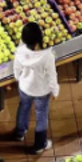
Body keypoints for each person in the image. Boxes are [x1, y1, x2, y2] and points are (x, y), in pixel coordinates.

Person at [13, 22, 59, 154]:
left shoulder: (20, 51)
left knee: (23, 107)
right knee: (41, 115)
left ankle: (19, 133)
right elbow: (52, 76)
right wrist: (55, 91)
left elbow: (16, 69)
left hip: (25, 87)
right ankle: (39, 144)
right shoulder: (47, 56)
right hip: (41, 91)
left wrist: (19, 78)